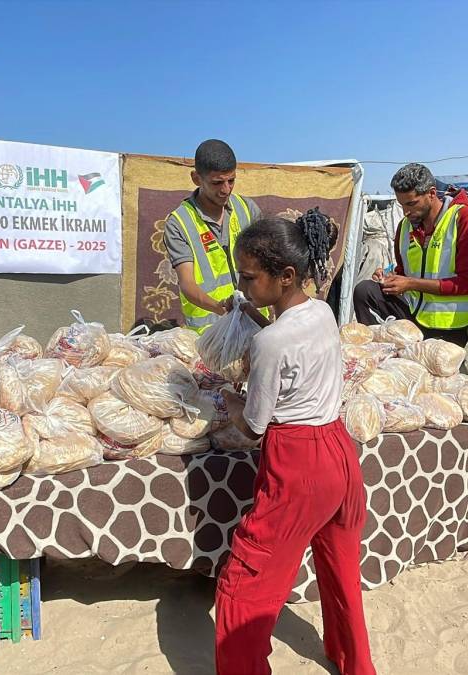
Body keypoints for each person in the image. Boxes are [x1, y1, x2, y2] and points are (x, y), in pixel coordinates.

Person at [216, 210, 375, 675]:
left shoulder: (269, 344)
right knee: (341, 572)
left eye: (249, 278)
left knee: (242, 586)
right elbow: (291, 343)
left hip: (299, 464)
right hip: (340, 455)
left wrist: (228, 399)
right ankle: (355, 664)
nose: (243, 287)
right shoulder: (321, 311)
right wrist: (252, 314)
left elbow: (254, 427)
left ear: (285, 276)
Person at [352, 162, 468, 347]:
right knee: (365, 291)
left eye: (411, 204)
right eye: (401, 205)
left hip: (448, 327)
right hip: (412, 316)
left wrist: (410, 283)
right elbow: (403, 271)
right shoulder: (405, 226)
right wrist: (389, 277)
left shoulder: (466, 219)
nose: (406, 211)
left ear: (432, 193)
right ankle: (377, 350)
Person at [162, 139, 262, 333]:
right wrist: (221, 308)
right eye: (217, 183)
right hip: (210, 334)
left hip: (256, 326)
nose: (226, 189)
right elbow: (187, 284)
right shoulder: (179, 223)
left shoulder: (247, 209)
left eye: (231, 180)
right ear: (196, 179)